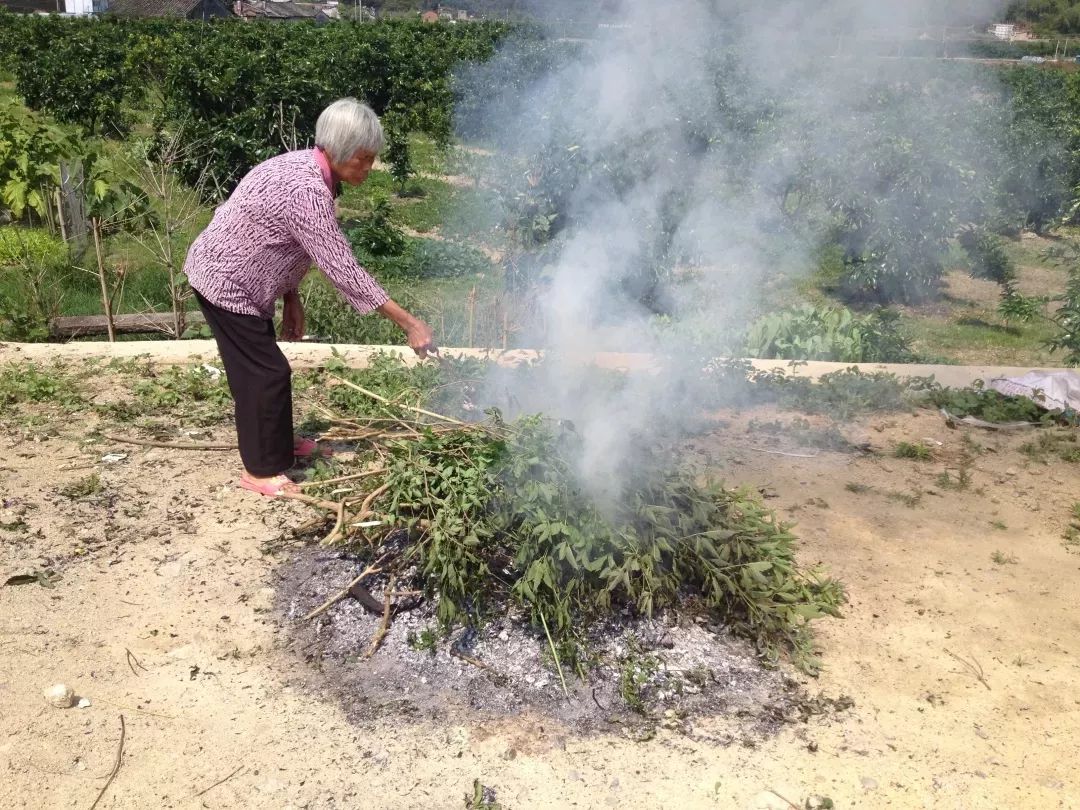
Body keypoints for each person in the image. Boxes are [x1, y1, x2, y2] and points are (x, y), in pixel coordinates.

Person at [183, 98, 436, 498]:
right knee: (264, 375)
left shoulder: (309, 168)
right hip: (226, 281)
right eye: (363, 159)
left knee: (263, 369)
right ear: (338, 152)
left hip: (248, 280)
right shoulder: (306, 189)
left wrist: (291, 297)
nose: (369, 168)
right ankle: (261, 470)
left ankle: (280, 446)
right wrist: (410, 323)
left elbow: (285, 242)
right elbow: (342, 268)